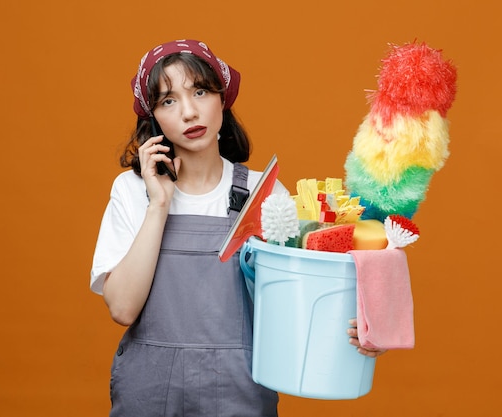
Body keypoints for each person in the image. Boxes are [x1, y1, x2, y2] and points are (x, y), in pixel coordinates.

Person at [90, 39, 385, 417]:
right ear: (153, 118)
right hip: (148, 394)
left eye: (200, 91)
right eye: (168, 101)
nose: (189, 112)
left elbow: (302, 301)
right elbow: (122, 308)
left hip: (240, 392)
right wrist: (159, 203)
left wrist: (366, 329)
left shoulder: (264, 193)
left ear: (222, 98)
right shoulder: (132, 191)